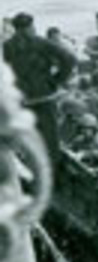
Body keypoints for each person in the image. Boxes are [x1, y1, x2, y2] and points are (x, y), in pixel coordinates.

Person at [3, 12, 77, 160]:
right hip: (44, 96)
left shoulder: (6, 47)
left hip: (22, 97)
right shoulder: (41, 43)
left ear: (16, 29)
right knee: (50, 138)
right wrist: (57, 80)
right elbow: (69, 59)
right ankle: (53, 173)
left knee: (24, 135)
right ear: (30, 27)